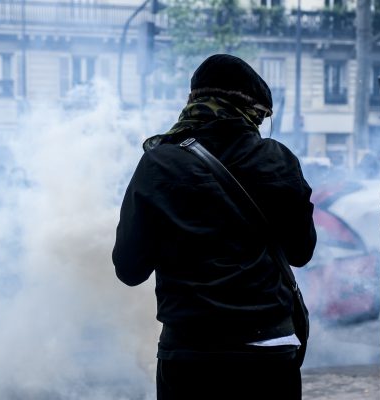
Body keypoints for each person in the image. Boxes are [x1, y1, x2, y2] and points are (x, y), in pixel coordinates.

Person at [112, 54, 317, 399]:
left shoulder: (159, 162)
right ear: (253, 112)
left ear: (194, 101)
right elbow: (301, 252)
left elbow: (129, 269)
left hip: (191, 353)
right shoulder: (277, 159)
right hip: (269, 350)